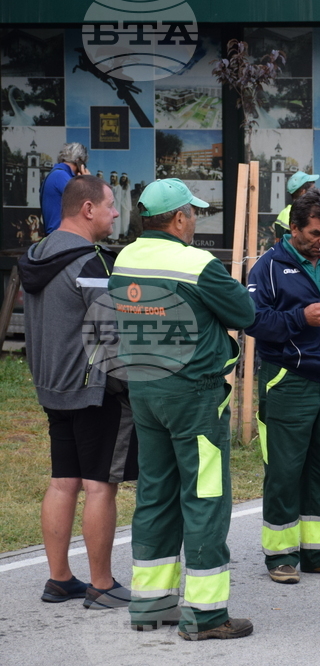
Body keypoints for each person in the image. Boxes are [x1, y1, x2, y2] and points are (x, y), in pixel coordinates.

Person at [109, 178, 255, 639]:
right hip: (194, 395)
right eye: (192, 213)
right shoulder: (198, 264)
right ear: (177, 218)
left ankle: (150, 605)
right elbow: (244, 313)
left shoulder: (125, 258)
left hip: (144, 390)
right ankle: (206, 615)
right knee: (205, 496)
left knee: (155, 492)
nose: (195, 221)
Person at [20, 175, 138, 609]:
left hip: (52, 386)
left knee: (62, 482)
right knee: (100, 486)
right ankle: (102, 585)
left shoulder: (36, 254)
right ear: (88, 209)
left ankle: (59, 579)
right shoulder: (92, 263)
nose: (116, 212)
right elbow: (112, 334)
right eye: (110, 205)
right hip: (94, 389)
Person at [246, 188, 320, 585]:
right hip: (287, 380)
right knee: (285, 471)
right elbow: (252, 321)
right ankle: (281, 555)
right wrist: (300, 318)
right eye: (315, 233)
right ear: (294, 228)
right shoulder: (268, 267)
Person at [41, 142, 89, 235]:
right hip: (60, 235)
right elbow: (87, 200)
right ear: (79, 161)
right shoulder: (61, 176)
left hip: (57, 234)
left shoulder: (56, 174)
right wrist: (88, 180)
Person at [275, 171, 320, 235]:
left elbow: (278, 239)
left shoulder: (283, 213)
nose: (316, 192)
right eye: (313, 189)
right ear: (303, 191)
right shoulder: (306, 213)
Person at [117, 173, 133, 241]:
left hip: (125, 205)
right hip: (119, 205)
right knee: (120, 220)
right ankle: (119, 233)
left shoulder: (127, 186)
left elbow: (127, 197)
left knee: (125, 220)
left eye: (124, 178)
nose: (123, 179)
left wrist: (125, 204)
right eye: (122, 178)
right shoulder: (119, 186)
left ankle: (125, 234)